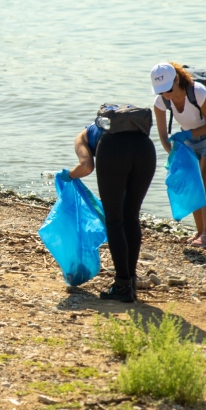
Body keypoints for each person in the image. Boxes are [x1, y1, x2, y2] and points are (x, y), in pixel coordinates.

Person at [68, 111, 156, 302]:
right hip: (146, 148)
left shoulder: (82, 137)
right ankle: (131, 282)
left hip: (113, 149)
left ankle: (123, 286)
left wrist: (68, 175)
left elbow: (86, 167)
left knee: (114, 219)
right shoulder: (129, 128)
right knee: (131, 217)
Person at [150, 63, 206, 248]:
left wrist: (186, 134)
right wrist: (173, 154)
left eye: (168, 89)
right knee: (192, 183)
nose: (165, 94)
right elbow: (163, 136)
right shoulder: (161, 102)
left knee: (204, 181)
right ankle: (200, 232)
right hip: (189, 140)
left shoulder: (198, 92)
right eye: (160, 91)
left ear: (177, 79)